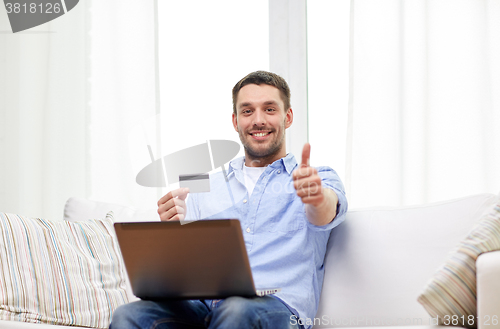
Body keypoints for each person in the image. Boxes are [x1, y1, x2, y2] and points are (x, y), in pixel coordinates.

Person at [109, 71, 348, 329]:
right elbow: (186, 264)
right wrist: (173, 226)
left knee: (236, 310)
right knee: (129, 316)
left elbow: (325, 211)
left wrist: (315, 198)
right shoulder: (202, 184)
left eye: (269, 109)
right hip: (203, 308)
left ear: (287, 117)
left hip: (276, 309)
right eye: (247, 111)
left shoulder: (317, 177)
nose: (258, 120)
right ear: (235, 121)